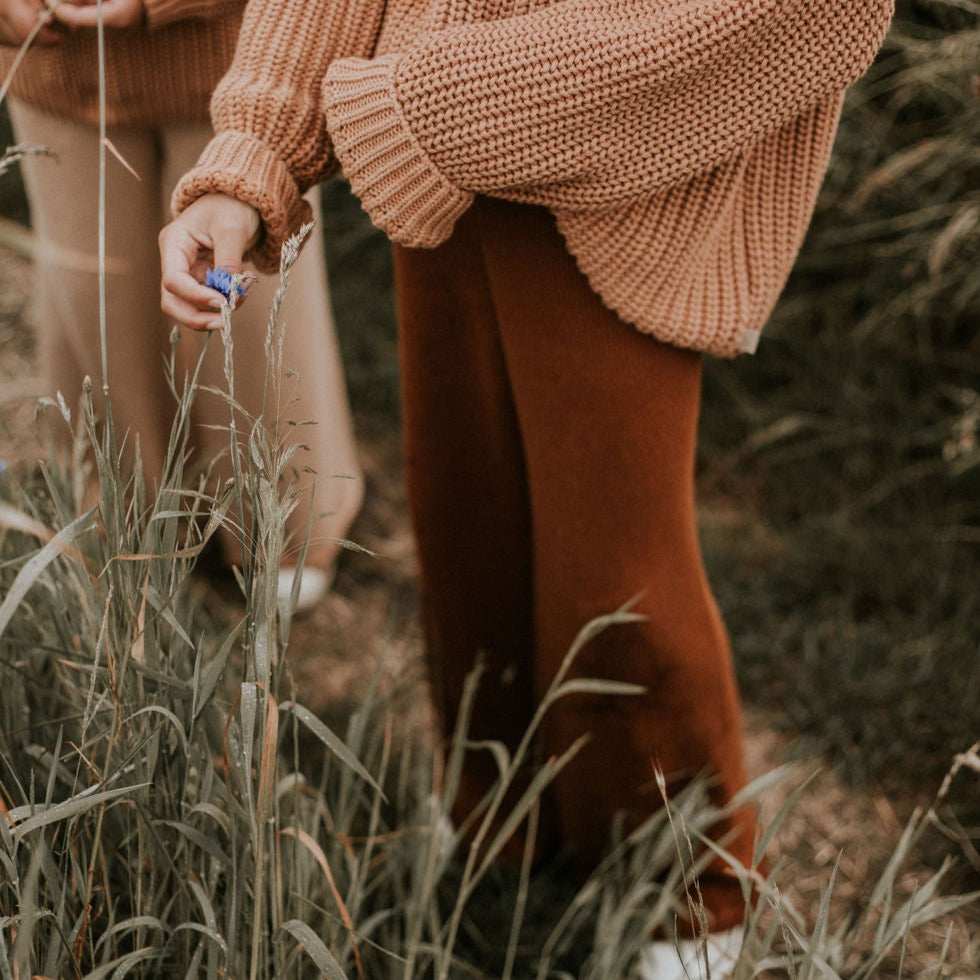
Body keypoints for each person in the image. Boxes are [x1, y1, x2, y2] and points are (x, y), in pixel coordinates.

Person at [157, 1, 895, 975]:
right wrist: (257, 146)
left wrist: (439, 102)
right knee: (468, 525)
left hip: (631, 171)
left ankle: (690, 893)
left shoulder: (455, 110)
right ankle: (499, 808)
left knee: (612, 580)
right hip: (438, 174)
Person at [0, 0, 363, 612]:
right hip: (52, 67)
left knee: (249, 298)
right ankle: (126, 510)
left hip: (237, 67)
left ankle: (279, 522)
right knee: (94, 293)